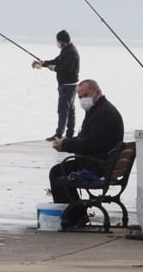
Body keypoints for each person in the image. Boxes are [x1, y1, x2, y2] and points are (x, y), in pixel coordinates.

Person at [48, 79, 124, 228]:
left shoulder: (104, 114)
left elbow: (90, 144)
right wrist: (67, 141)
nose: (83, 99)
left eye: (86, 95)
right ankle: (77, 215)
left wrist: (66, 145)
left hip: (98, 165)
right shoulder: (98, 110)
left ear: (97, 92)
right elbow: (86, 139)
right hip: (102, 161)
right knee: (58, 171)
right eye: (80, 97)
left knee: (58, 173)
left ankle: (73, 217)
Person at [32, 29, 80, 142]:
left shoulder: (71, 53)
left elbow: (64, 69)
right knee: (70, 109)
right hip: (70, 85)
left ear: (63, 41)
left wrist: (54, 68)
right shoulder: (66, 50)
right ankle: (69, 134)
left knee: (63, 109)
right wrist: (43, 63)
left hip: (68, 86)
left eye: (58, 41)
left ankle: (59, 134)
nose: (58, 44)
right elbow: (57, 61)